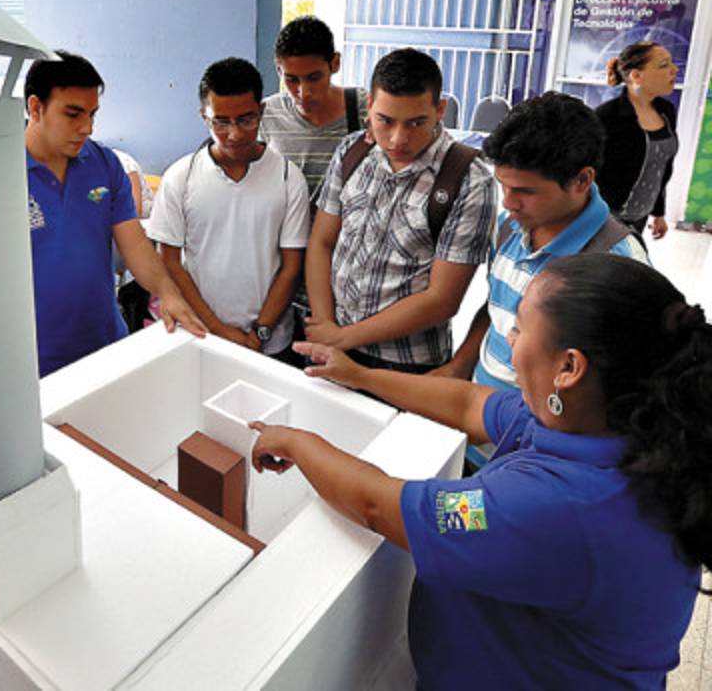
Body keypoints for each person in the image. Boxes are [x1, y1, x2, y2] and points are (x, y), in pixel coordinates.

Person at [250, 253, 710, 688]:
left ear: (569, 366)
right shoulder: (606, 421)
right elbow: (470, 403)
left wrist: (297, 442)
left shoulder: (552, 507)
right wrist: (360, 376)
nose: (509, 338)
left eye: (521, 327)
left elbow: (378, 505)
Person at [434, 92, 650, 392]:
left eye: (526, 191)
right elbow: (497, 308)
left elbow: (621, 382)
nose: (508, 203)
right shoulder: (509, 227)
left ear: (582, 180)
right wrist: (459, 367)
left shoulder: (617, 263)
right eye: (503, 186)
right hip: (481, 401)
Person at [305, 47, 496, 373]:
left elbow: (442, 300)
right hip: (331, 342)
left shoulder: (467, 179)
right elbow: (322, 241)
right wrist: (325, 326)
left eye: (416, 123)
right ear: (369, 106)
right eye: (385, 120)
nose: (398, 138)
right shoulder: (352, 151)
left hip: (405, 363)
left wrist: (341, 338)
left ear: (440, 110)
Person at [23, 51, 206, 375]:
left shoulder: (104, 165)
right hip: (33, 360)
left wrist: (167, 293)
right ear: (35, 108)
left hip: (106, 346)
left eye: (93, 114)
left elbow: (135, 245)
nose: (87, 128)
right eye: (73, 114)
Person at [148, 58, 309, 362]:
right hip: (200, 334)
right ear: (203, 117)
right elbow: (168, 261)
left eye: (246, 120)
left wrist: (261, 330)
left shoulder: (288, 178)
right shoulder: (180, 176)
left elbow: (291, 267)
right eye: (220, 122)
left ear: (261, 112)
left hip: (271, 343)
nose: (234, 134)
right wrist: (218, 329)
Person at [259, 16, 367, 201]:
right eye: (291, 80)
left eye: (314, 78)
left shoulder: (365, 108)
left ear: (335, 63)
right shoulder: (265, 115)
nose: (304, 92)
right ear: (278, 69)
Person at [595, 41, 680, 240]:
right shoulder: (607, 116)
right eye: (664, 65)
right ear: (636, 76)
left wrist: (658, 212)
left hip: (639, 216)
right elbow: (584, 170)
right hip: (603, 218)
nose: (674, 70)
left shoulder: (666, 111)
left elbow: (661, 166)